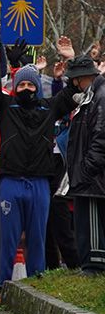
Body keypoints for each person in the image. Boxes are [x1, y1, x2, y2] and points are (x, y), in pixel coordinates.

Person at [0, 63, 74, 287]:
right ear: (15, 87)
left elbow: (75, 93)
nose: (26, 88)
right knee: (8, 240)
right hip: (10, 181)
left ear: (37, 87)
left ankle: (36, 288)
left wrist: (66, 71)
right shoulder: (6, 107)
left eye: (30, 84)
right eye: (22, 84)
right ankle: (3, 286)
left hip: (39, 183)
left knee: (37, 239)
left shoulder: (49, 108)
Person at [62, 55, 105, 273]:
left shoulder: (100, 96)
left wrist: (86, 169)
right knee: (84, 223)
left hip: (93, 178)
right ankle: (89, 263)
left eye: (75, 79)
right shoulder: (92, 96)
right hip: (87, 174)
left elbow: (100, 137)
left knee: (92, 223)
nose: (73, 84)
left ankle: (94, 266)